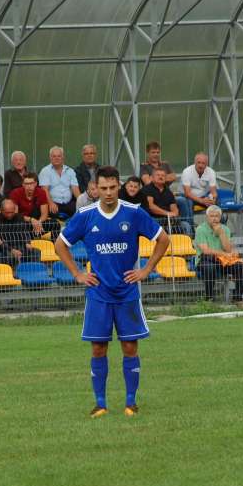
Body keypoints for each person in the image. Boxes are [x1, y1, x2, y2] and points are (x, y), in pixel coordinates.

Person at [54, 166, 170, 418]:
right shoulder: (85, 215)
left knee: (130, 347)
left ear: (119, 186)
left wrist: (146, 269)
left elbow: (163, 239)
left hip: (127, 292)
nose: (108, 193)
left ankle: (131, 402)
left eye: (112, 188)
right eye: (103, 188)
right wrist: (78, 274)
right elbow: (60, 245)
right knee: (98, 349)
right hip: (99, 293)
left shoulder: (134, 213)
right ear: (96, 188)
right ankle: (100, 403)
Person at [194, 205, 243, 303]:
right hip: (205, 259)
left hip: (223, 260)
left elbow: (228, 249)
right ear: (207, 217)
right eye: (212, 216)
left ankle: (237, 297)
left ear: (220, 217)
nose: (214, 218)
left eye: (217, 216)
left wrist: (221, 233)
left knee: (242, 266)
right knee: (209, 267)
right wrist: (224, 254)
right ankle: (209, 298)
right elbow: (205, 251)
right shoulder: (200, 229)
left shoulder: (225, 229)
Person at [9, 172, 57, 237]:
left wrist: (38, 223)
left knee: (55, 224)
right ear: (23, 184)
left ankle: (55, 245)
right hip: (23, 222)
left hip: (38, 221)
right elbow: (15, 214)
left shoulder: (41, 192)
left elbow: (45, 214)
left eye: (31, 183)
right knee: (17, 226)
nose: (29, 186)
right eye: (26, 184)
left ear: (35, 184)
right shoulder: (15, 193)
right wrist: (31, 220)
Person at [39, 146, 81, 218]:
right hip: (53, 203)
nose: (57, 158)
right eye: (54, 156)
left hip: (68, 203)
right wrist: (51, 203)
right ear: (50, 157)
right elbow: (44, 190)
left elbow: (75, 189)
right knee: (54, 215)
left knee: (80, 212)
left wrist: (82, 203)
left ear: (63, 157)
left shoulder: (70, 171)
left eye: (59, 156)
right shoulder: (45, 171)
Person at [0, 199, 36, 264]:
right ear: (1, 210)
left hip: (20, 245)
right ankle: (13, 273)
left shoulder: (19, 217)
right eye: (7, 212)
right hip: (5, 248)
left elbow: (25, 231)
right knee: (9, 256)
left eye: (12, 212)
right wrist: (12, 250)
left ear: (14, 210)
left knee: (36, 252)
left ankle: (33, 271)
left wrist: (27, 242)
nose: (9, 215)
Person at [181, 152, 218, 223]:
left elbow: (213, 192)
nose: (200, 165)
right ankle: (191, 230)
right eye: (199, 162)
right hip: (189, 197)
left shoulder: (211, 172)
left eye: (203, 163)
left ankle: (217, 226)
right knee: (188, 202)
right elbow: (187, 193)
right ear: (195, 162)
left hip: (204, 196)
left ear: (206, 164)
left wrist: (213, 199)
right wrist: (202, 201)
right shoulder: (187, 171)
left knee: (216, 203)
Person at [142, 167, 180, 232]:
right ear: (152, 178)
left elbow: (174, 208)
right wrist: (168, 214)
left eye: (163, 175)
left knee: (186, 225)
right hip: (152, 218)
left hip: (168, 220)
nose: (160, 177)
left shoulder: (168, 191)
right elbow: (151, 207)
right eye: (158, 175)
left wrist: (175, 213)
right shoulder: (147, 189)